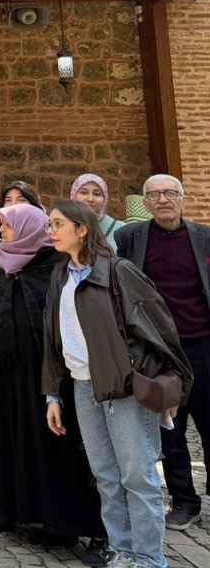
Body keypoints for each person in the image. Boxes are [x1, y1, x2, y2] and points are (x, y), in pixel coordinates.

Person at [45, 200, 193, 568]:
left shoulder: (118, 271)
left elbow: (159, 328)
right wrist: (52, 394)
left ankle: (149, 559)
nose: (50, 230)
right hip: (83, 388)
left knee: (137, 477)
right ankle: (122, 552)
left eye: (58, 224)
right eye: (49, 224)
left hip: (123, 390)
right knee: (106, 477)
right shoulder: (60, 274)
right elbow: (52, 338)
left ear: (83, 229)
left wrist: (167, 381)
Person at [0, 202, 108, 561]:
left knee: (56, 450)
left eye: (7, 226)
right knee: (20, 443)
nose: (2, 232)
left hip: (50, 379)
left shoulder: (51, 268)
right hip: (12, 380)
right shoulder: (8, 266)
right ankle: (30, 516)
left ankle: (65, 524)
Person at [114, 174, 210, 532]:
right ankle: (185, 502)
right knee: (170, 431)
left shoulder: (204, 237)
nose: (163, 199)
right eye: (154, 195)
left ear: (183, 199)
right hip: (160, 351)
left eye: (170, 193)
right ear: (146, 203)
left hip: (203, 344)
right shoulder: (129, 238)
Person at [72, 173, 123, 250]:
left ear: (105, 199)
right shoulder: (63, 224)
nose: (90, 199)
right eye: (84, 193)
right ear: (74, 195)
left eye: (97, 194)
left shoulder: (120, 229)